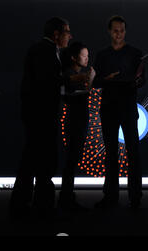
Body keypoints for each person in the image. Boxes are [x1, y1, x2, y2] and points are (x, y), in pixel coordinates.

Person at [10, 17, 88, 216]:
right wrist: (72, 78)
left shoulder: (46, 51)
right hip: (40, 117)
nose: (70, 36)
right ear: (56, 34)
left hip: (38, 115)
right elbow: (46, 82)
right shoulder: (44, 51)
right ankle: (40, 206)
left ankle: (28, 204)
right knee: (42, 161)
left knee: (34, 160)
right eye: (67, 31)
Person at [93, 15, 145, 209]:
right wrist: (108, 79)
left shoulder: (135, 53)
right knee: (111, 154)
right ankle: (111, 196)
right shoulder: (102, 55)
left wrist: (137, 81)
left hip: (128, 107)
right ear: (109, 31)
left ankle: (135, 196)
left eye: (122, 30)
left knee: (133, 153)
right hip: (108, 108)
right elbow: (95, 82)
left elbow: (142, 79)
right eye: (115, 30)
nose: (119, 34)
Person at [58, 42, 96, 211]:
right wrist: (90, 80)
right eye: (83, 55)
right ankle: (66, 198)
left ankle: (67, 196)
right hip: (74, 120)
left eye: (88, 55)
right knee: (72, 159)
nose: (87, 58)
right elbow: (69, 95)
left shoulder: (80, 73)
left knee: (73, 158)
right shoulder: (69, 74)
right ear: (74, 57)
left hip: (80, 119)